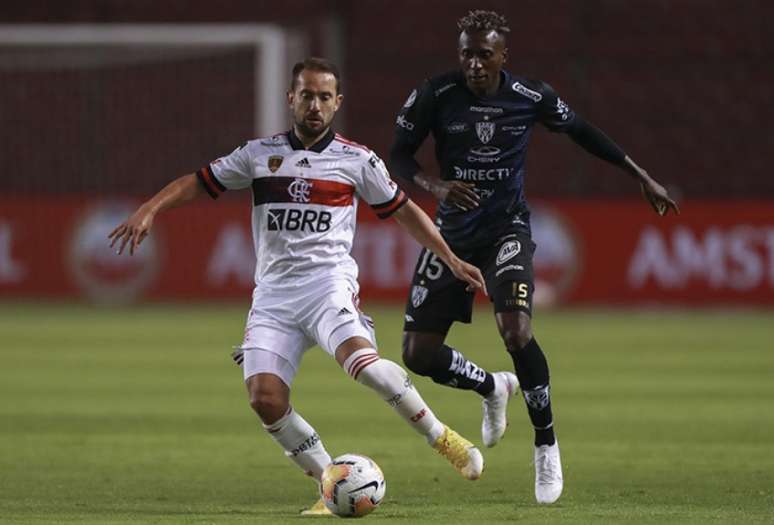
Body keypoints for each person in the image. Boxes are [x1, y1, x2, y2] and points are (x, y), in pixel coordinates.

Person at [109, 57, 489, 516]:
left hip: (327, 287)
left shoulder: (356, 160)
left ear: (337, 103)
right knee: (264, 398)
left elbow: (405, 210)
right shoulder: (257, 155)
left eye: (324, 97)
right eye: (307, 95)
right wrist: (150, 208)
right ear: (291, 98)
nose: (315, 104)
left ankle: (442, 437)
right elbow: (199, 182)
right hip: (272, 299)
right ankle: (331, 482)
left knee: (365, 367)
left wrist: (448, 257)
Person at [388, 10, 680, 504]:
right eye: (466, 54)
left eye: (484, 54)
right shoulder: (434, 95)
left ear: (504, 55)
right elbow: (398, 154)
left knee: (516, 330)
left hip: (507, 228)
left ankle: (546, 444)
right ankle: (491, 387)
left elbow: (584, 131)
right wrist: (434, 184)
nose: (474, 64)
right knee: (416, 355)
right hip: (451, 235)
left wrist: (641, 176)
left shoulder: (530, 96)